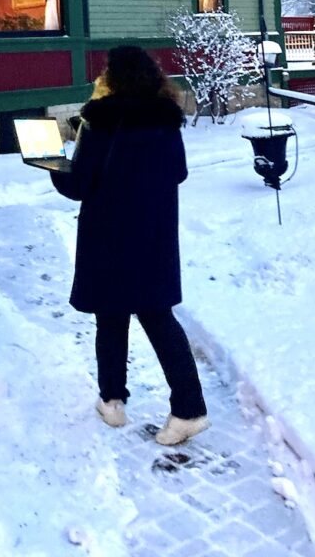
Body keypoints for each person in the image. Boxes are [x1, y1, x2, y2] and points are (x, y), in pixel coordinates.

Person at [50, 45, 209, 446]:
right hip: (153, 236)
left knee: (111, 315)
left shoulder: (102, 119)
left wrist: (53, 163)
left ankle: (118, 401)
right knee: (158, 317)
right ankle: (183, 407)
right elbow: (179, 172)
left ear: (114, 77)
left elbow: (78, 184)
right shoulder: (165, 118)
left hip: (108, 236)